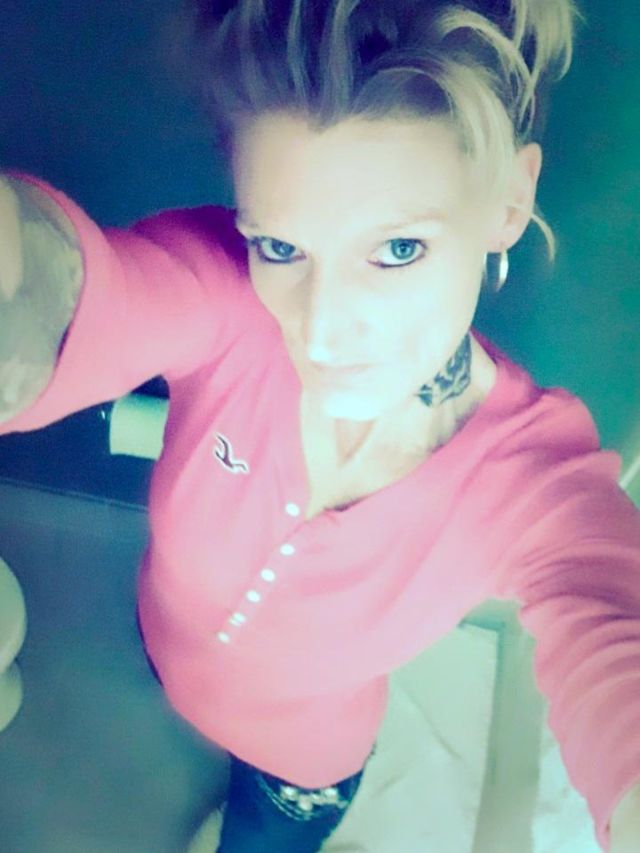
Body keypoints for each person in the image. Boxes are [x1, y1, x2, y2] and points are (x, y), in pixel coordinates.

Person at [1, 1, 640, 851]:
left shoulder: (533, 479)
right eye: (280, 248)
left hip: (302, 769)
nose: (323, 331)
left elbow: (613, 627)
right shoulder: (223, 299)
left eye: (398, 250)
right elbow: (66, 300)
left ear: (509, 203)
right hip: (160, 642)